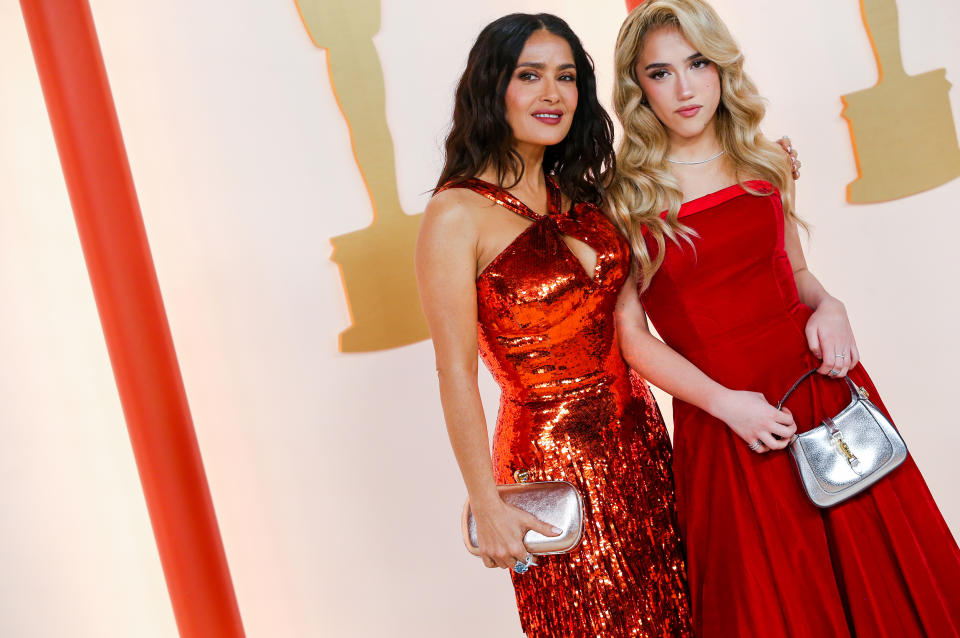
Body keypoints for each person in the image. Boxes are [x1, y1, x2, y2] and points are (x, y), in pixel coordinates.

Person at [605, 1, 960, 636]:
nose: (684, 88)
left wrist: (833, 307)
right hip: (728, 422)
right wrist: (725, 404)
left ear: (721, 68)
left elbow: (795, 274)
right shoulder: (627, 196)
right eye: (660, 73)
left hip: (818, 393)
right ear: (638, 89)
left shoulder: (764, 160)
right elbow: (631, 336)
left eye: (698, 63)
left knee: (883, 584)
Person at [415, 13, 695, 637]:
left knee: (683, 614)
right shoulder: (455, 214)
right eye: (530, 75)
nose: (552, 94)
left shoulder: (586, 195)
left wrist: (766, 163)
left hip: (641, 445)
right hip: (548, 464)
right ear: (493, 89)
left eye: (566, 77)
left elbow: (682, 187)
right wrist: (487, 502)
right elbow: (455, 371)